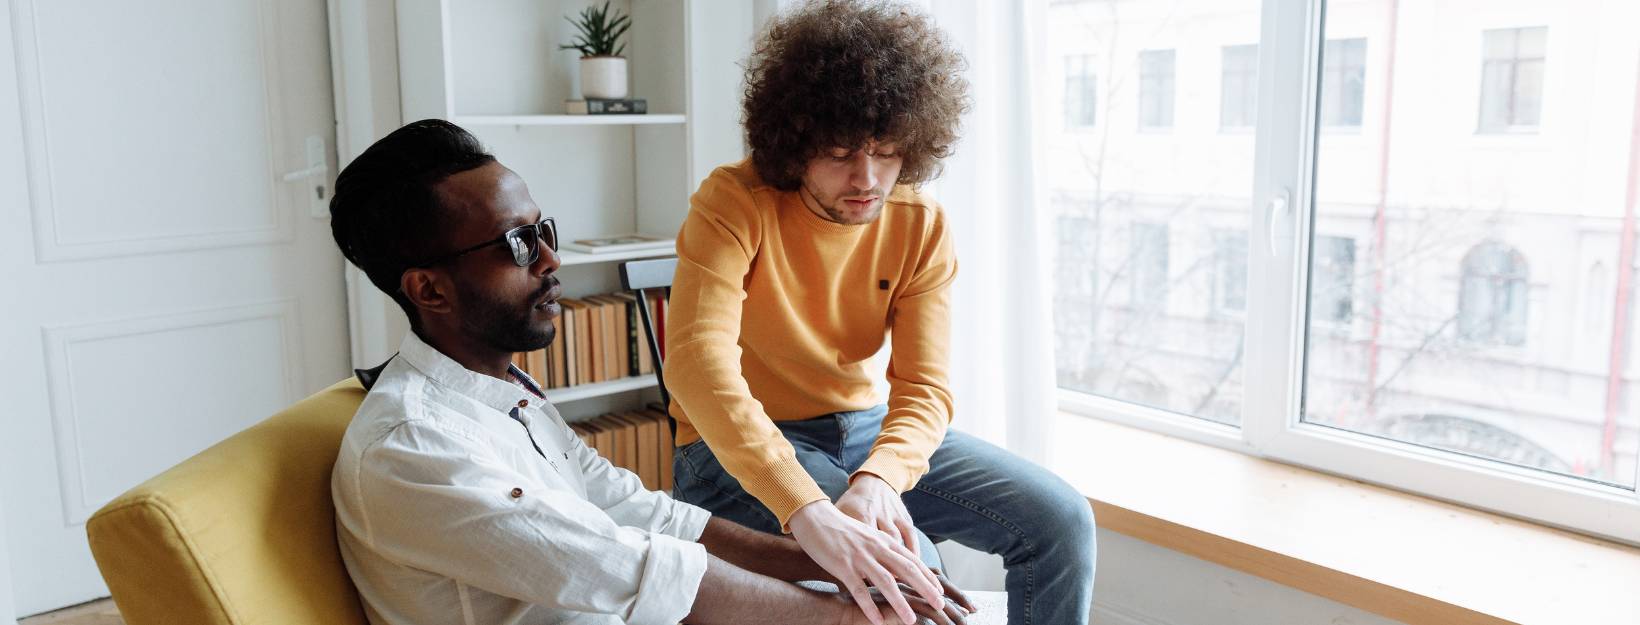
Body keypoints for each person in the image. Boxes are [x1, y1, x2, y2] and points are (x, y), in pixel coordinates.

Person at [326, 119, 971, 625]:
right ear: (428, 290)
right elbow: (630, 569)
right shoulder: (413, 447)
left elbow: (648, 516)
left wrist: (832, 564)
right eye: (517, 245)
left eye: (543, 229)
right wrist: (845, 617)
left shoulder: (507, 397)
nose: (552, 259)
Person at [663, 2, 1097, 624]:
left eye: (887, 151)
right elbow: (697, 365)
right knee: (911, 573)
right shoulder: (734, 202)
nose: (867, 178)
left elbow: (924, 387)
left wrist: (882, 479)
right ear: (795, 142)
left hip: (863, 429)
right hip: (734, 441)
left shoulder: (921, 222)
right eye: (839, 153)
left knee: (1061, 520)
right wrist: (804, 505)